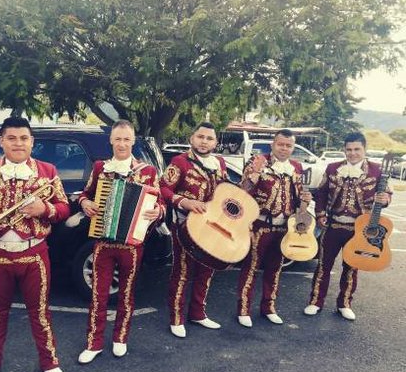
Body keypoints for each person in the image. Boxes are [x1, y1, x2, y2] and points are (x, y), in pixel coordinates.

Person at [0, 117, 70, 372]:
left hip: (34, 253)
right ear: (1, 141)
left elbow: (64, 207)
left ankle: (50, 362)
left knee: (40, 312)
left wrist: (44, 209)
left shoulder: (48, 170)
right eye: (11, 138)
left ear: (32, 142)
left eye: (24, 138)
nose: (18, 143)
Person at [77, 120, 165, 364]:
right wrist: (85, 203)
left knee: (126, 295)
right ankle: (94, 343)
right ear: (111, 140)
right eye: (118, 139)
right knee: (99, 294)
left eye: (127, 139)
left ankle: (120, 338)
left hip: (132, 244)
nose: (122, 143)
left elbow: (161, 204)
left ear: (133, 141)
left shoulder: (147, 172)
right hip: (104, 242)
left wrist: (157, 211)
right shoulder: (100, 168)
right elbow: (85, 194)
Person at [304, 132, 391, 321]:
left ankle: (344, 304)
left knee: (351, 267)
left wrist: (385, 199)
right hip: (333, 225)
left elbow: (386, 196)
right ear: (344, 150)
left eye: (357, 149)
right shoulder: (332, 167)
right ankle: (315, 302)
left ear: (364, 150)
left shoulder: (377, 171)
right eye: (349, 149)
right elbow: (321, 193)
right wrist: (320, 215)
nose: (352, 153)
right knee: (322, 266)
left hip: (360, 230)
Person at [236, 129, 312, 328]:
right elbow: (242, 191)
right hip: (259, 224)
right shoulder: (258, 161)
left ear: (293, 147)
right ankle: (243, 309)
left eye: (288, 145)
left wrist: (305, 202)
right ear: (273, 144)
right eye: (281, 144)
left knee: (275, 269)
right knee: (250, 267)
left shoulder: (296, 167)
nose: (284, 149)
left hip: (284, 227)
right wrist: (254, 174)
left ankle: (268, 307)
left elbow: (297, 198)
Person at [160, 122, 228, 338]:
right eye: (200, 136)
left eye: (209, 138)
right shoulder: (179, 161)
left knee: (206, 270)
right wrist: (184, 202)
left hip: (212, 227)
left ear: (215, 142)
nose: (204, 141)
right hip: (184, 226)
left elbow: (225, 191)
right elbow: (163, 188)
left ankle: (198, 313)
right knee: (181, 272)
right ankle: (177, 318)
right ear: (192, 138)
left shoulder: (220, 163)